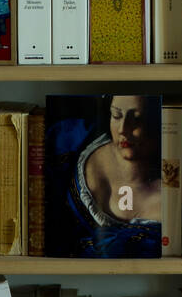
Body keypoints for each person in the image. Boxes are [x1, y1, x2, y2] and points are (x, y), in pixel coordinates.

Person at [46, 95, 162, 257]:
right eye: (116, 116)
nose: (123, 129)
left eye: (136, 119)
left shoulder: (173, 190)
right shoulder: (68, 141)